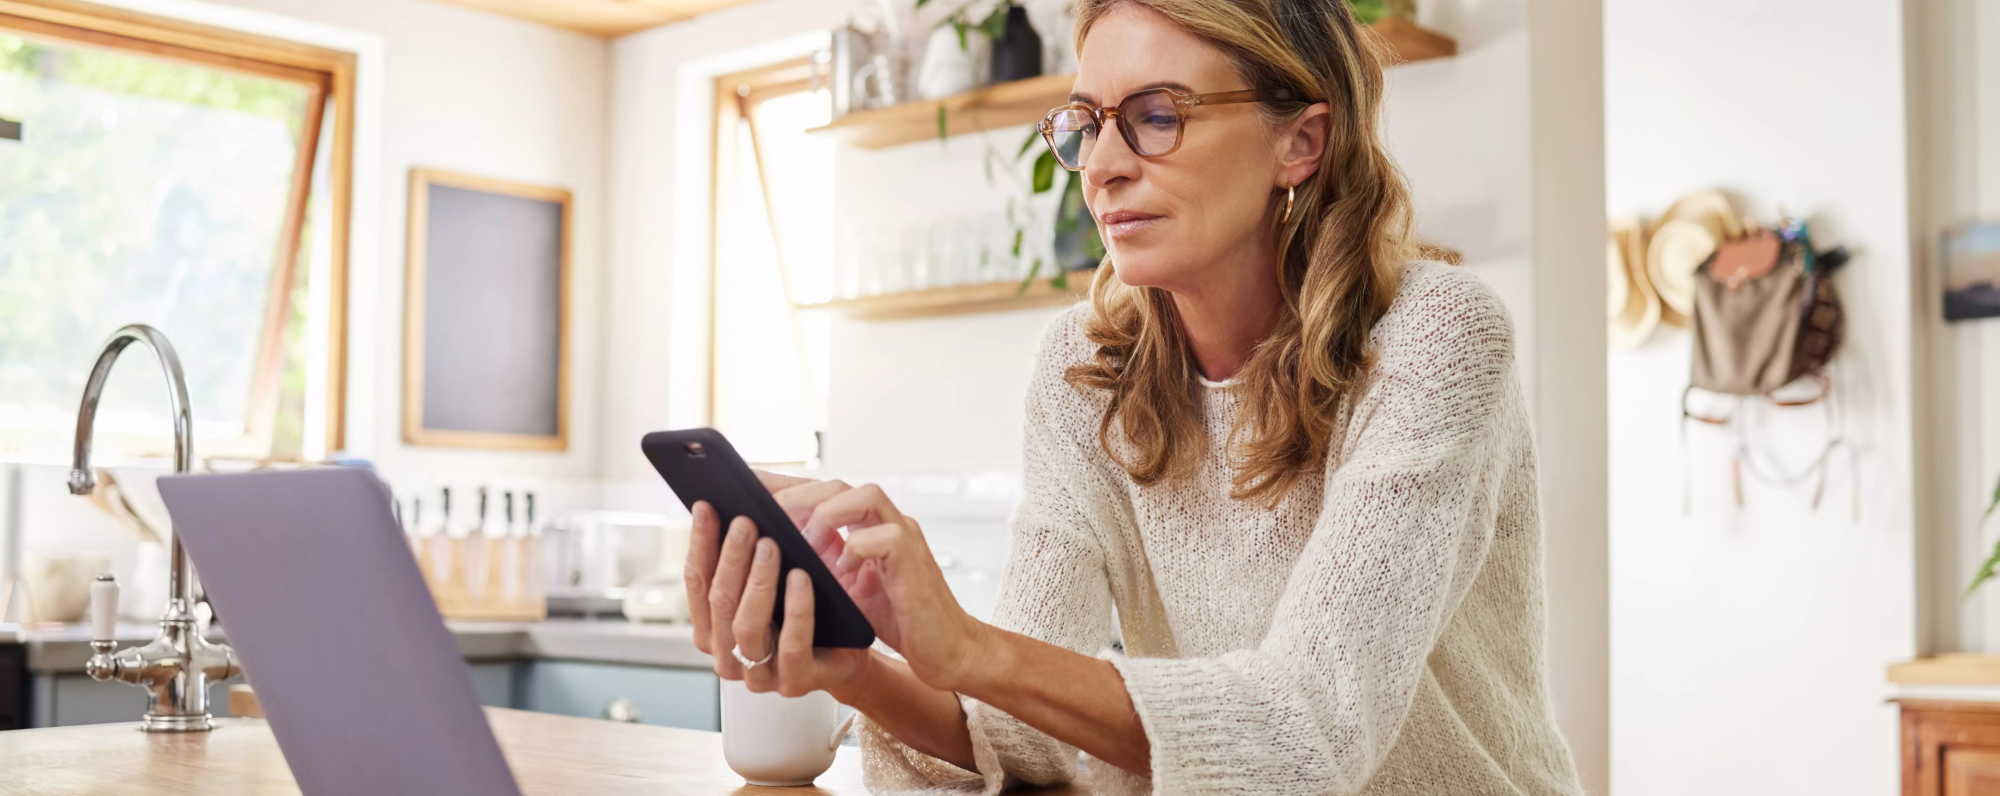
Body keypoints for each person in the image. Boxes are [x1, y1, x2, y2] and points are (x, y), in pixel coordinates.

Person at [682, 0, 1584, 793]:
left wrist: (968, 646)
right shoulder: (1086, 370)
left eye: (1156, 116)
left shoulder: (1436, 336)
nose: (1102, 165)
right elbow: (1025, 736)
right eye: (1086, 121)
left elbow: (1312, 732)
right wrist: (857, 664)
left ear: (1301, 141)